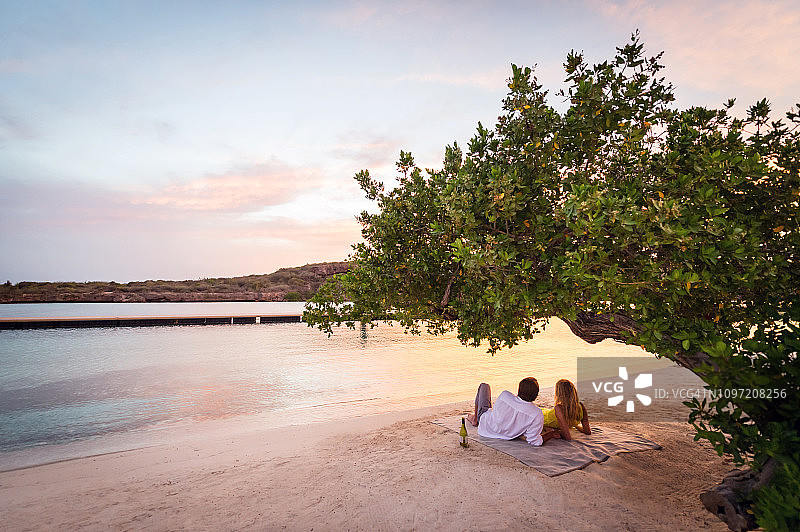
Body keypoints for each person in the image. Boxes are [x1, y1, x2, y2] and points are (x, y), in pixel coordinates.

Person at [466, 377, 561, 446]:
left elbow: (495, 412)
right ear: (536, 395)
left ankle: (475, 419)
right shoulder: (536, 413)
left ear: (519, 390)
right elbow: (534, 441)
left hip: (485, 425)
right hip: (507, 435)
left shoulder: (505, 395)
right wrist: (551, 434)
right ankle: (474, 417)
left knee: (484, 386)